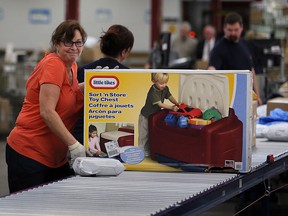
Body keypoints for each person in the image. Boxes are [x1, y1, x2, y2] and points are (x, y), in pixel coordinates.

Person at [5, 20, 87, 194]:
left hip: (54, 157)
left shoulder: (71, 65)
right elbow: (47, 111)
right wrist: (74, 145)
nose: (74, 47)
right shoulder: (53, 64)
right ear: (57, 43)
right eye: (68, 42)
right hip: (30, 153)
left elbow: (68, 92)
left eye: (78, 42)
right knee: (28, 210)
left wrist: (92, 85)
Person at [73, 24, 134, 144]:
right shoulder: (129, 75)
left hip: (78, 136)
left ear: (102, 45)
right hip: (109, 140)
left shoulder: (82, 71)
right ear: (125, 52)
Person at [207, 12, 262, 105]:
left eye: (236, 30)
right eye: (229, 30)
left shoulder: (245, 44)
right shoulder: (218, 48)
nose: (232, 33)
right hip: (229, 97)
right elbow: (212, 69)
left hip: (247, 95)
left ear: (241, 28)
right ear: (224, 28)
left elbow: (251, 71)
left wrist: (257, 95)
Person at [138, 73, 180, 156]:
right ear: (153, 81)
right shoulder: (153, 91)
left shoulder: (164, 88)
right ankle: (140, 152)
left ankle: (148, 151)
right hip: (145, 115)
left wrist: (177, 103)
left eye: (165, 82)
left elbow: (170, 96)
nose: (164, 85)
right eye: (161, 83)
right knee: (143, 135)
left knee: (151, 134)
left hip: (153, 115)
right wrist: (172, 108)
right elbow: (160, 104)